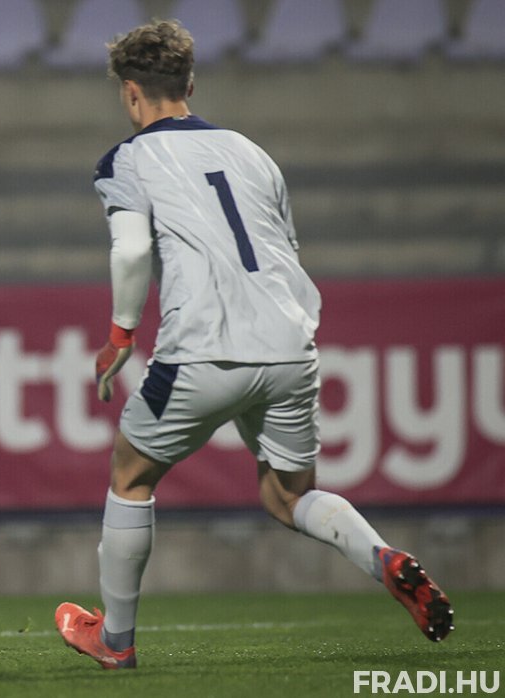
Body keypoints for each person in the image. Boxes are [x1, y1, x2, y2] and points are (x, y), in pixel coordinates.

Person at [54, 21, 453, 670]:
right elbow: (284, 249)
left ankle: (115, 643)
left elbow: (130, 250)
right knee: (289, 495)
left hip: (202, 349)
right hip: (290, 345)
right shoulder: (252, 152)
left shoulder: (127, 160)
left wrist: (121, 334)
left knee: (131, 475)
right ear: (190, 85)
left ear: (130, 93)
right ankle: (382, 556)